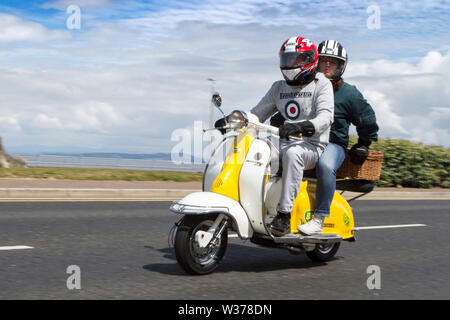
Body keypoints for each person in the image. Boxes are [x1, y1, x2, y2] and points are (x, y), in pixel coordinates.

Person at [216, 36, 334, 236]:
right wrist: (232, 120)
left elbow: (326, 117)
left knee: (293, 154)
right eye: (287, 59)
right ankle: (246, 203)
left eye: (295, 60)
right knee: (255, 150)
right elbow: (257, 114)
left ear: (309, 60)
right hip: (283, 139)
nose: (290, 64)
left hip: (311, 146)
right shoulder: (278, 87)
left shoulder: (321, 84)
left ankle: (284, 215)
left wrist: (301, 127)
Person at [297, 40, 379, 235]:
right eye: (323, 60)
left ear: (340, 66)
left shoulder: (349, 93)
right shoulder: (305, 87)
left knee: (325, 165)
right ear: (315, 62)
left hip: (333, 145)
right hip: (306, 141)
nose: (327, 65)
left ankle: (319, 218)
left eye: (332, 62)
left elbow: (367, 119)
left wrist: (364, 144)